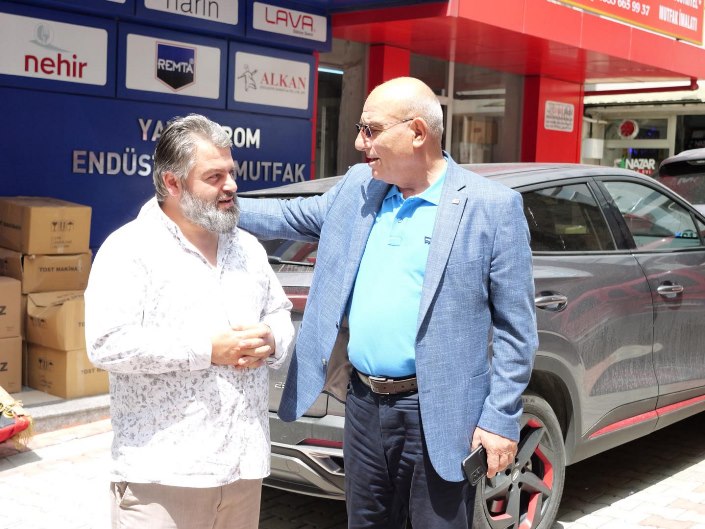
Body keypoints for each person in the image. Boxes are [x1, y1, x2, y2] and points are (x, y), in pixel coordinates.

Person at [238, 77, 538, 528]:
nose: (360, 143)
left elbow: (518, 332)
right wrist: (214, 204)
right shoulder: (361, 187)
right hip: (364, 406)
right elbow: (288, 215)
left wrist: (500, 419)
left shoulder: (492, 207)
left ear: (417, 132)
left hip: (439, 413)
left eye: (371, 130)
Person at [84, 114, 294, 529]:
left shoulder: (248, 248)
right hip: (165, 478)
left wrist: (271, 338)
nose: (230, 186)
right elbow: (107, 343)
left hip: (243, 470)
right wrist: (207, 350)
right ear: (173, 183)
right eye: (214, 177)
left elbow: (279, 311)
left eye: (231, 172)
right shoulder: (129, 249)